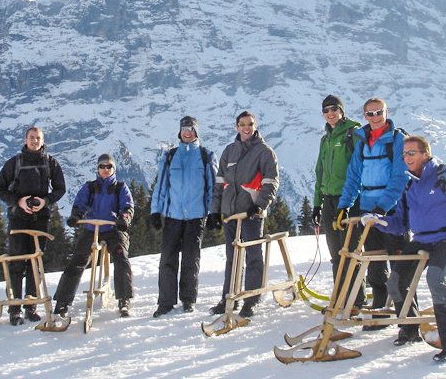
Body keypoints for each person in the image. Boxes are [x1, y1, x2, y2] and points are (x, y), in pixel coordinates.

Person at [365, 135, 446, 361]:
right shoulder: (410, 185)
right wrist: (379, 221)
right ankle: (409, 330)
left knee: (436, 279)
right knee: (395, 281)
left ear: (425, 154)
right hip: (421, 240)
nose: (406, 157)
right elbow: (400, 223)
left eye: (411, 153)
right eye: (404, 154)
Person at [337, 98, 409, 329]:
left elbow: (400, 177)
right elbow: (353, 175)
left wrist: (382, 208)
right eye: (370, 113)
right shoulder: (361, 141)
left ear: (387, 112)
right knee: (375, 264)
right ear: (364, 115)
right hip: (368, 209)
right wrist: (344, 205)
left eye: (379, 112)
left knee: (399, 264)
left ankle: (407, 318)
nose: (375, 117)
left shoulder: (398, 140)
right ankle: (380, 310)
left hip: (392, 211)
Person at [207, 110, 279, 318]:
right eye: (242, 124)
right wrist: (215, 211)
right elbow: (220, 183)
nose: (246, 128)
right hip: (230, 213)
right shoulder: (229, 151)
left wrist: (259, 205)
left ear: (255, 126)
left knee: (253, 256)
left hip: (251, 214)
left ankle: (252, 299)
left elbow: (271, 182)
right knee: (232, 257)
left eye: (250, 124)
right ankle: (229, 297)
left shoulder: (265, 152)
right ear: (236, 127)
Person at [0, 126, 66, 326]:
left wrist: (45, 201)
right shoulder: (14, 163)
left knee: (36, 263)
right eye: (31, 138)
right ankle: (14, 309)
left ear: (43, 141)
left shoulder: (50, 163)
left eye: (38, 138)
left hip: (41, 219)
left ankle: (31, 306)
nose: (34, 141)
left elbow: (61, 188)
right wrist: (18, 201)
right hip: (18, 218)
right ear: (25, 140)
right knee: (16, 262)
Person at [150, 116, 218, 318]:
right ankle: (166, 302)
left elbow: (212, 187)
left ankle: (188, 300)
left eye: (191, 129)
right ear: (179, 132)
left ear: (196, 132)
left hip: (196, 216)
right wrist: (156, 210)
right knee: (167, 259)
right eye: (184, 129)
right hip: (173, 216)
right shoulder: (171, 156)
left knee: (191, 259)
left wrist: (214, 212)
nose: (187, 132)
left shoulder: (206, 155)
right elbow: (161, 186)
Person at [52, 154, 135, 318]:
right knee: (78, 260)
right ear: (97, 169)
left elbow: (127, 206)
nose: (105, 170)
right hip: (92, 228)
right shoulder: (90, 187)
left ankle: (124, 299)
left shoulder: (120, 187)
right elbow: (79, 203)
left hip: (113, 228)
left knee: (121, 258)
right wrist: (76, 216)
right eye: (102, 167)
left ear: (113, 169)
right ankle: (62, 301)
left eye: (108, 167)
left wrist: (124, 219)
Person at [311, 94, 365, 309]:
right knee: (336, 255)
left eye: (334, 109)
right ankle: (341, 298)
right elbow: (320, 172)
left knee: (350, 252)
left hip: (350, 200)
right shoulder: (325, 139)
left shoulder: (354, 133)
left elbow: (360, 168)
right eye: (326, 110)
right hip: (329, 201)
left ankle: (356, 301)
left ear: (342, 111)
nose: (330, 113)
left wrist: (351, 200)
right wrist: (317, 203)